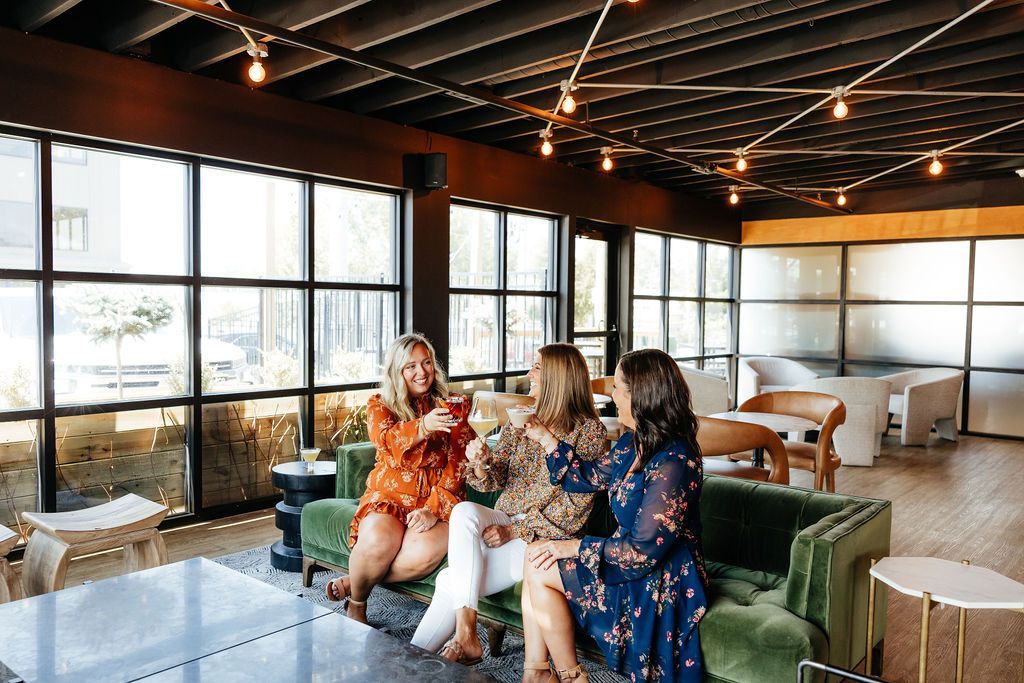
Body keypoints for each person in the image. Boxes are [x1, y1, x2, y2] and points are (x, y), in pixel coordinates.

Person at [411, 343, 607, 669]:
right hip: (503, 518)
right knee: (463, 512)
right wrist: (483, 463)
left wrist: (514, 530)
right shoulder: (522, 419)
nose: (529, 374)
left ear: (558, 378)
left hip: (544, 540)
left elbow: (574, 510)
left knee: (451, 583)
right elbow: (494, 480)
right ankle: (467, 632)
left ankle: (407, 666)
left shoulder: (589, 432)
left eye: (537, 368)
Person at [520, 348, 708, 683]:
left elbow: (643, 551)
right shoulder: (630, 444)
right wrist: (546, 438)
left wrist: (575, 546)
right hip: (625, 556)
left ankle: (563, 676)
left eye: (618, 387)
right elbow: (585, 477)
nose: (611, 394)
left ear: (641, 396)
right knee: (537, 560)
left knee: (543, 562)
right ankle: (554, 673)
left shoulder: (674, 461)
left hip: (664, 574)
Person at [325, 333, 472, 625]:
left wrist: (433, 508)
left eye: (427, 363)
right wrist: (423, 426)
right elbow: (386, 442)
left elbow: (460, 461)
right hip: (389, 496)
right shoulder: (380, 404)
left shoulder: (452, 405)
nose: (421, 372)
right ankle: (357, 603)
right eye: (411, 366)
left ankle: (355, 580)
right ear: (397, 371)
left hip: (436, 500)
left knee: (423, 554)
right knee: (378, 540)